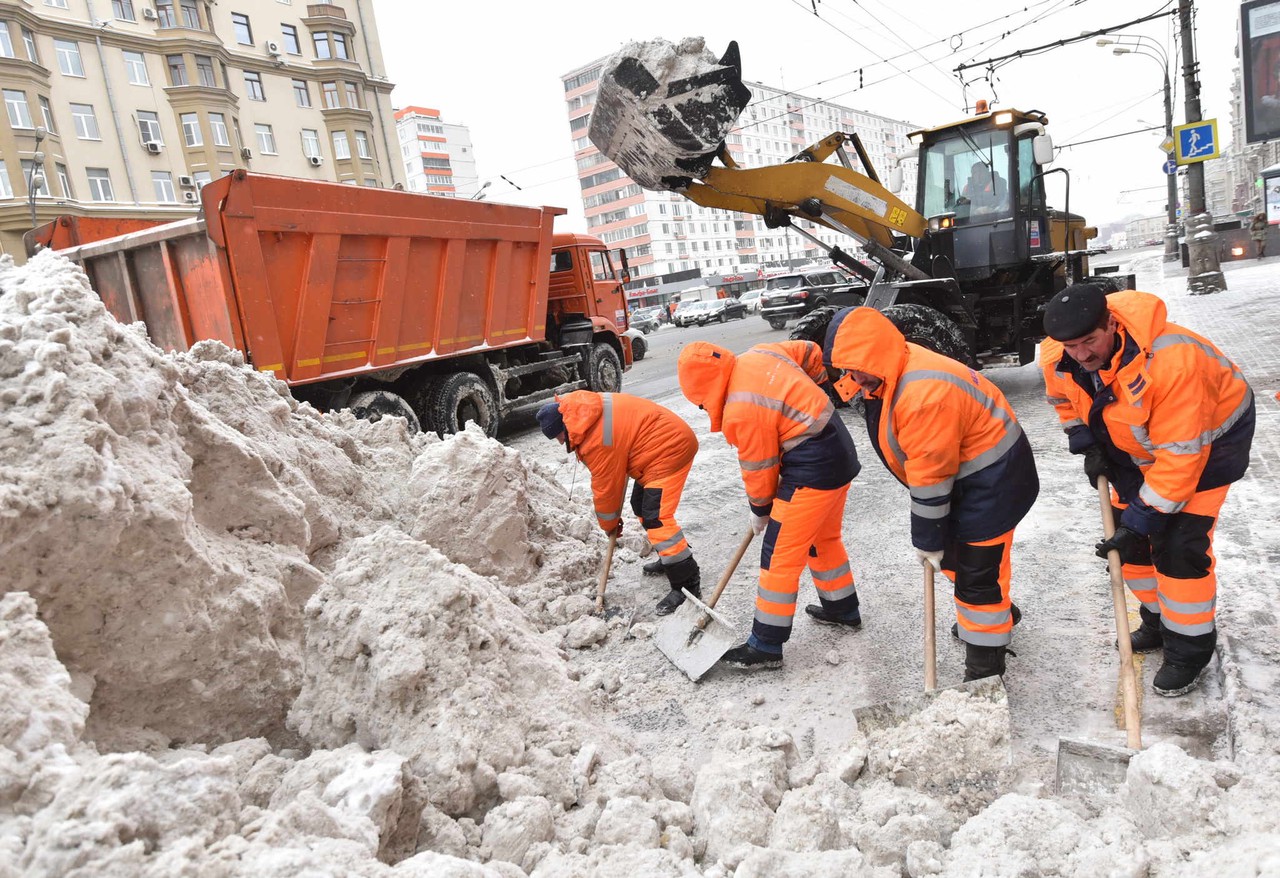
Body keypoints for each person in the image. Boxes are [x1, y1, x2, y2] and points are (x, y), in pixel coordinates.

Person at [1040, 284, 1255, 697]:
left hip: (1209, 444)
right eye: (1071, 346)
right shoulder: (1059, 355)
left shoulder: (1173, 363)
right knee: (1130, 548)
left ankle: (1189, 649)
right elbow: (1064, 401)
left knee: (1177, 546)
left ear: (1111, 324)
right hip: (1136, 444)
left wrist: (1141, 522)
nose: (1082, 354)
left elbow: (1179, 460)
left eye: (1090, 341)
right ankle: (1158, 620)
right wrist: (1088, 444)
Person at [824, 307, 1039, 681]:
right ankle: (996, 615)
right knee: (957, 560)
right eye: (845, 369)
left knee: (976, 577)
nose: (851, 379)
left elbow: (930, 473)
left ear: (875, 354)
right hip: (966, 475)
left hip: (994, 480)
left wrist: (927, 537)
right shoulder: (887, 369)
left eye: (855, 368)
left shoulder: (924, 393)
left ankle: (985, 669)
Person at [677, 339, 862, 670]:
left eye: (701, 404)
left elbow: (760, 468)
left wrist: (760, 510)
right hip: (838, 447)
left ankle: (765, 645)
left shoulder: (740, 407)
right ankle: (841, 608)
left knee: (779, 556)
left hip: (812, 467)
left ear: (705, 391)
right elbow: (810, 352)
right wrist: (819, 390)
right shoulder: (761, 352)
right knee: (823, 539)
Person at [536, 391, 701, 616]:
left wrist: (609, 524)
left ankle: (686, 584)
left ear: (565, 425)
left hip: (669, 449)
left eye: (559, 436)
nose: (560, 442)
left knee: (656, 518)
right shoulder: (584, 409)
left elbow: (606, 488)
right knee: (640, 504)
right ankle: (669, 557)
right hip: (654, 445)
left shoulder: (596, 440)